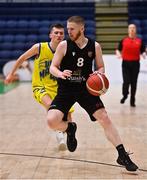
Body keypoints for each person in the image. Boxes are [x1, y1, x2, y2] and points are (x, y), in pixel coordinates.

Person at [47, 16, 138, 172]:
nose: (68, 32)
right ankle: (70, 129)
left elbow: (101, 66)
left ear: (82, 29)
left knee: (104, 117)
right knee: (51, 121)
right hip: (66, 89)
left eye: (72, 29)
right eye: (67, 28)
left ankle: (122, 154)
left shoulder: (94, 46)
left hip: (85, 89)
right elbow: (53, 67)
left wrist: (98, 73)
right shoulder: (63, 45)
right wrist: (60, 73)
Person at [4, 23, 74, 151]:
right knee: (52, 107)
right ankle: (59, 135)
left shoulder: (66, 50)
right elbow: (22, 58)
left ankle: (68, 133)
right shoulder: (40, 47)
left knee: (68, 118)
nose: (59, 35)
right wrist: (11, 74)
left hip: (60, 88)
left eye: (61, 33)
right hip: (41, 86)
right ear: (50, 35)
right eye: (56, 33)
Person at [115, 24, 146, 107]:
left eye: (133, 28)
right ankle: (125, 95)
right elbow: (118, 49)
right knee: (126, 81)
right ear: (128, 30)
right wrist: (118, 54)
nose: (132, 29)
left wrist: (143, 54)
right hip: (125, 64)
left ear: (135, 30)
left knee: (134, 83)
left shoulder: (139, 41)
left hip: (135, 64)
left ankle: (132, 100)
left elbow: (143, 50)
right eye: (130, 28)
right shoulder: (124, 40)